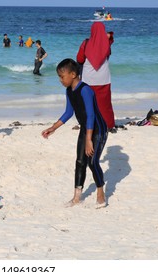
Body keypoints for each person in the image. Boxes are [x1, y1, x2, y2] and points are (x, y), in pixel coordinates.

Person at [41, 58, 108, 209]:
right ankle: (77, 197)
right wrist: (53, 128)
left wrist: (89, 139)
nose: (60, 80)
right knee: (80, 162)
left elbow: (90, 115)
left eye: (62, 76)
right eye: (59, 76)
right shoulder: (69, 91)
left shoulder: (85, 90)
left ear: (73, 74)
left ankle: (100, 194)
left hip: (97, 129)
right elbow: (68, 112)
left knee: (92, 162)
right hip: (86, 128)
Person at [77, 22, 116, 132]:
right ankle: (109, 125)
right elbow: (111, 36)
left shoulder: (85, 43)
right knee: (105, 103)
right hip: (103, 78)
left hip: (88, 79)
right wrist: (105, 35)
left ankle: (89, 124)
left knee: (88, 103)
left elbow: (79, 59)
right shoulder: (106, 44)